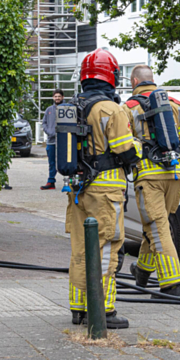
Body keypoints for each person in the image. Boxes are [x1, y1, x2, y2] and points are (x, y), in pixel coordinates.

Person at [66, 49, 138, 329]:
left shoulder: (73, 105)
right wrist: (139, 147)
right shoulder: (111, 109)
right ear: (111, 76)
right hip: (105, 190)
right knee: (107, 246)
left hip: (77, 188)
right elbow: (124, 150)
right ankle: (104, 311)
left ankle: (79, 308)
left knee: (80, 247)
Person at [123, 65, 180, 298]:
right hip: (174, 175)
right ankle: (142, 273)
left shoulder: (129, 108)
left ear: (134, 81)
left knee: (158, 228)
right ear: (152, 80)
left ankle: (172, 286)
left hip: (149, 178)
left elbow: (123, 148)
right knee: (156, 226)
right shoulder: (175, 105)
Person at [41, 90, 64, 190]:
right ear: (53, 98)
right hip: (51, 141)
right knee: (51, 162)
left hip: (63, 141)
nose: (57, 98)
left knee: (66, 162)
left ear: (62, 97)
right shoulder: (49, 110)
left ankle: (69, 182)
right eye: (55, 96)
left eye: (59, 96)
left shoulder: (67, 109)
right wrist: (49, 132)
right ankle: (51, 182)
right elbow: (44, 123)